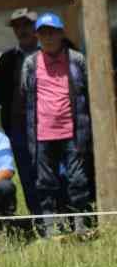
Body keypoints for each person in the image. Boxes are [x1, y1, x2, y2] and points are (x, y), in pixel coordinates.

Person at [18, 12, 93, 235]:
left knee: (78, 180)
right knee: (45, 183)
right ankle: (51, 229)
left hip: (73, 131)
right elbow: (25, 94)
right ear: (38, 36)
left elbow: (89, 91)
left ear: (61, 34)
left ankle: (81, 225)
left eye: (52, 32)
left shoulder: (77, 59)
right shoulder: (31, 63)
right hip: (42, 133)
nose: (48, 38)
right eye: (43, 33)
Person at [0, 8, 40, 215]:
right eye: (17, 26)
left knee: (58, 173)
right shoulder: (7, 59)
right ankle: (39, 219)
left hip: (53, 124)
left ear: (36, 26)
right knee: (28, 174)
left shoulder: (56, 50)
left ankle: (65, 215)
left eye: (26, 25)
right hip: (19, 126)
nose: (22, 30)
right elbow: (2, 96)